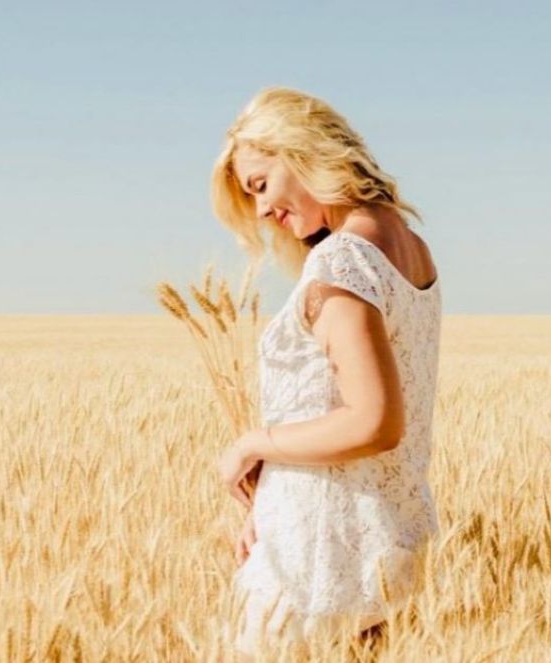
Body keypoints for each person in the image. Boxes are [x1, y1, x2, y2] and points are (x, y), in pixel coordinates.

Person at [210, 86, 442, 660]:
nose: (262, 210)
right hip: (389, 539)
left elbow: (374, 422)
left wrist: (253, 445)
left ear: (304, 151)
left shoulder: (342, 260)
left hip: (318, 560)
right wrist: (270, 501)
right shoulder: (410, 247)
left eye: (261, 185)